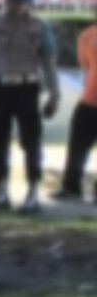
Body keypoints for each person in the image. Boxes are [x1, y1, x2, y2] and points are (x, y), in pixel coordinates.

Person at [0, 0, 58, 212]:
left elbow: (49, 63)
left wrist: (54, 94)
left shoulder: (40, 27)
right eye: (18, 1)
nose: (22, 6)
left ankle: (33, 193)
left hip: (27, 88)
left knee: (31, 142)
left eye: (26, 2)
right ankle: (1, 192)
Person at [59, 12, 97, 201]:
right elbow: (87, 67)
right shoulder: (86, 36)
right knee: (77, 145)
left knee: (78, 145)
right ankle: (71, 186)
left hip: (90, 97)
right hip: (89, 99)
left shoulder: (87, 36)